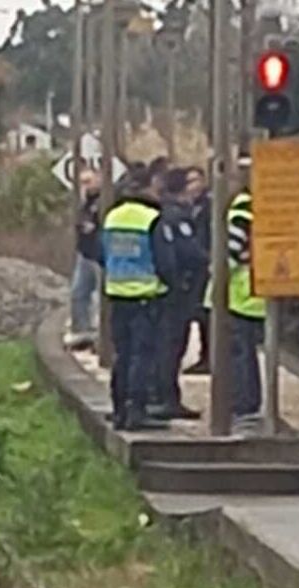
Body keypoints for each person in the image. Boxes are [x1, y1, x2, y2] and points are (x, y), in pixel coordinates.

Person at [101, 168, 176, 431]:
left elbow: (103, 253)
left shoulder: (112, 217)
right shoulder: (151, 218)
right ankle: (137, 410)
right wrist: (171, 284)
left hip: (117, 295)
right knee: (142, 356)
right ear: (147, 189)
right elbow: (165, 259)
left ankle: (119, 409)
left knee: (123, 354)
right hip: (146, 297)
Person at [149, 168, 209, 419]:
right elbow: (190, 254)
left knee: (161, 345)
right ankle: (168, 400)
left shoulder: (160, 212)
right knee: (171, 346)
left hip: (158, 291)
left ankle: (157, 396)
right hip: (177, 292)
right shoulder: (177, 217)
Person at [204, 189, 266, 422]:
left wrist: (215, 275)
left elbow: (228, 256)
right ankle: (250, 401)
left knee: (237, 352)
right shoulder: (261, 210)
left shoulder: (240, 215)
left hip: (237, 294)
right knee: (247, 352)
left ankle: (241, 402)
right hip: (254, 293)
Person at [64, 169, 102, 349]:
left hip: (98, 254)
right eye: (82, 182)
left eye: (89, 181)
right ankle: (82, 332)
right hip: (85, 253)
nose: (85, 186)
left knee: (101, 297)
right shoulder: (85, 203)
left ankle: (101, 336)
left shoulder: (103, 202)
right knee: (78, 293)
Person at [183, 165, 213, 375]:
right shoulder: (188, 207)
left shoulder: (209, 206)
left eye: (196, 181)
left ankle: (209, 356)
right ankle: (205, 355)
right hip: (194, 266)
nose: (192, 186)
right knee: (198, 312)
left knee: (206, 314)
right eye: (189, 182)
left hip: (205, 265)